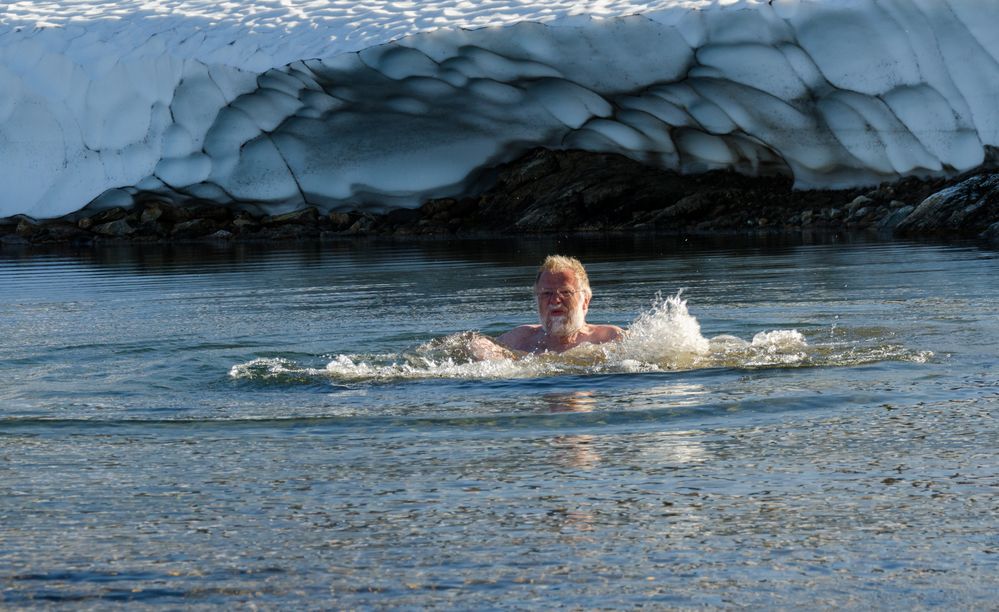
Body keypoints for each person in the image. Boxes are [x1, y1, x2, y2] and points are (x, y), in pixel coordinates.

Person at [470, 255, 624, 358]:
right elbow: (473, 346)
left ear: (586, 300)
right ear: (537, 299)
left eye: (565, 292)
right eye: (546, 293)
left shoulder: (611, 338)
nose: (555, 300)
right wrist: (479, 348)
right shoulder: (520, 338)